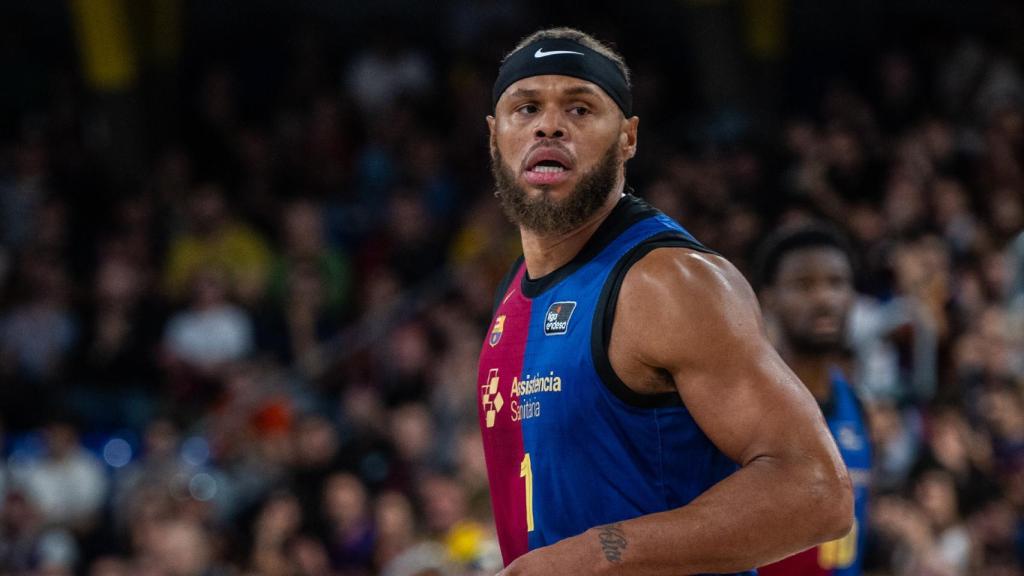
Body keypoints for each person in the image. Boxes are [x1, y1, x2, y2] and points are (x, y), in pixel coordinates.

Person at [478, 27, 853, 575]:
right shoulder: (515, 290)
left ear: (627, 138)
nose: (549, 125)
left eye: (580, 109)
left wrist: (597, 555)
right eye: (526, 107)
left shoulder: (669, 281)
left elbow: (817, 491)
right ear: (495, 136)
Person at [754, 226, 872, 575]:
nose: (824, 299)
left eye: (836, 283)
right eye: (804, 285)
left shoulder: (856, 404)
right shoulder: (746, 402)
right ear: (768, 298)